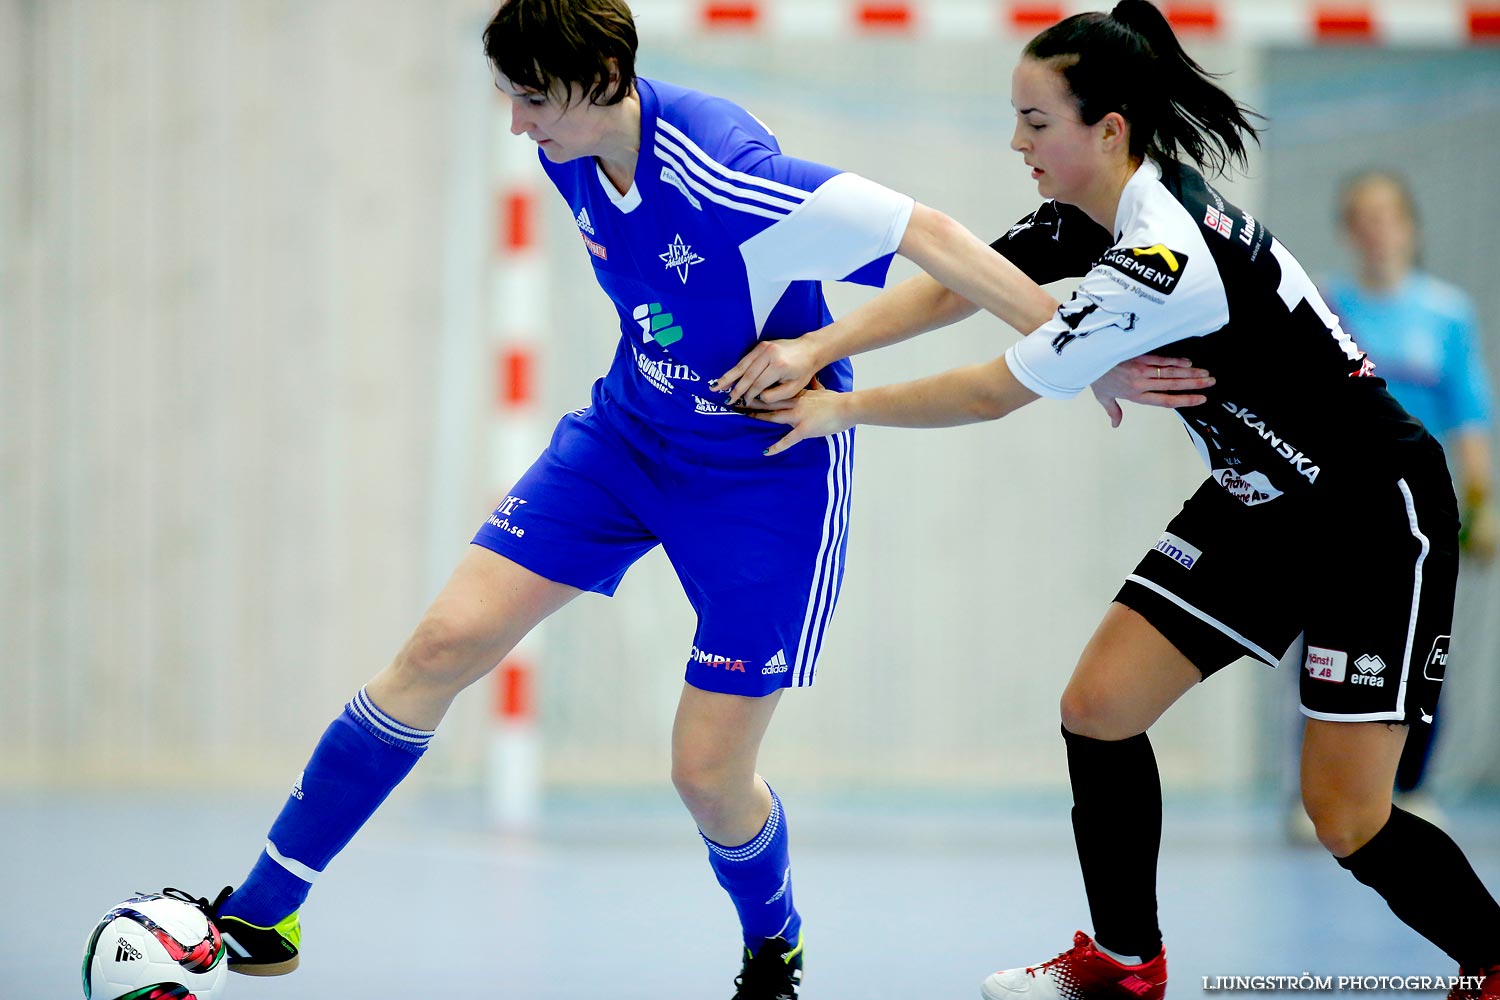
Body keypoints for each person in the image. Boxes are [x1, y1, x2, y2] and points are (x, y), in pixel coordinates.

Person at [169, 2, 1202, 997]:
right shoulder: (565, 151)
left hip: (766, 471)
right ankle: (265, 912)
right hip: (626, 438)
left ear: (603, 80)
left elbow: (929, 233)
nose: (518, 124)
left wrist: (1079, 355)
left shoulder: (729, 175)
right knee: (440, 644)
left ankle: (774, 939)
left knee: (706, 775)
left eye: (532, 99)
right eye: (509, 97)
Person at [715, 3, 1500, 998]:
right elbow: (965, 284)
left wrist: (840, 408)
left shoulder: (1161, 253)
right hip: (1260, 497)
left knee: (1346, 814)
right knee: (1098, 706)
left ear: (1109, 129)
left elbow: (993, 390)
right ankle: (1128, 965)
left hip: (1369, 514)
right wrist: (820, 345)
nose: (1016, 141)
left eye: (1036, 121)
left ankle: (1494, 956)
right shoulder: (1099, 210)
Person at [1324, 169, 1498, 814]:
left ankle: (1412, 788)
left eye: (1386, 216)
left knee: (1422, 642)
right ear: (1348, 232)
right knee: (1330, 639)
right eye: (1360, 218)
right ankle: (1326, 789)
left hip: (1425, 506)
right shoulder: (1329, 304)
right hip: (1343, 501)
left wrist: (1482, 507)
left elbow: (1470, 413)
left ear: (1410, 226)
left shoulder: (1447, 314)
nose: (1376, 231)